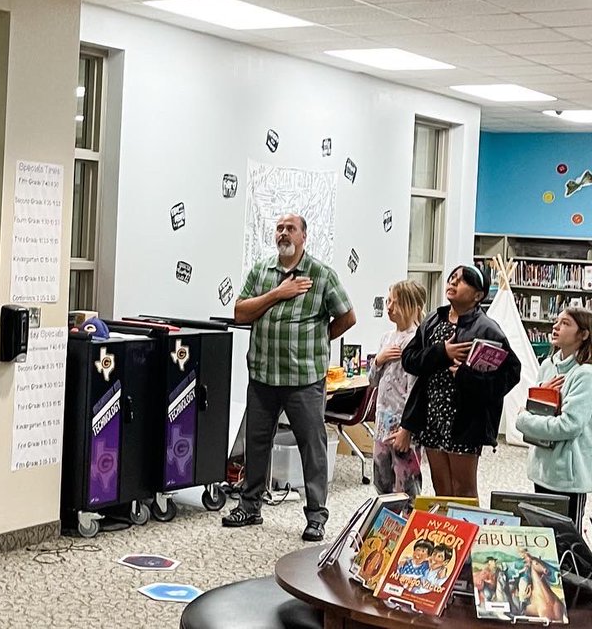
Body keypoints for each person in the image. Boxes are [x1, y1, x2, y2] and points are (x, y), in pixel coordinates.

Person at [222, 213, 356, 542]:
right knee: (256, 444)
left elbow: (347, 317)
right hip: (263, 375)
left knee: (312, 447)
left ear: (303, 236)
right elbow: (240, 313)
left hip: (303, 379)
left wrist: (319, 339)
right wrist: (277, 294)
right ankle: (250, 507)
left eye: (291, 229)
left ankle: (316, 516)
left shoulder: (321, 274)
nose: (284, 233)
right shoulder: (261, 271)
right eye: (280, 228)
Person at [401, 264, 522, 500]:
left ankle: (466, 526)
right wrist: (442, 352)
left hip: (465, 421)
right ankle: (445, 526)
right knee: (442, 490)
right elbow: (409, 359)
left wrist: (467, 377)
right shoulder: (433, 320)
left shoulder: (487, 329)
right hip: (432, 416)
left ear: (478, 295)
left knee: (463, 491)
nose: (453, 282)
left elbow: (510, 374)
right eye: (452, 277)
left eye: (463, 280)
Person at [515, 306, 592, 527]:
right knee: (543, 532)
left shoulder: (585, 374)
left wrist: (523, 420)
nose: (556, 327)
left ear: (583, 334)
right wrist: (540, 396)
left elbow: (569, 425)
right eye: (557, 321)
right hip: (542, 467)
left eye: (565, 323)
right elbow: (537, 408)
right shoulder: (548, 365)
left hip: (567, 476)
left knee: (567, 537)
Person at [368, 279, 427, 499]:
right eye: (388, 301)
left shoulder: (417, 341)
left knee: (406, 482)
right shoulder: (386, 339)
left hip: (403, 424)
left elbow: (416, 390)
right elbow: (373, 381)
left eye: (396, 303)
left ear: (411, 306)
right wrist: (379, 360)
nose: (389, 307)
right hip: (382, 422)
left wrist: (407, 428)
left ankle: (408, 519)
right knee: (382, 480)